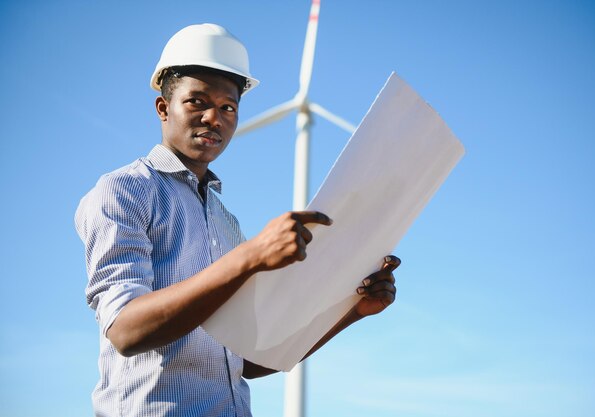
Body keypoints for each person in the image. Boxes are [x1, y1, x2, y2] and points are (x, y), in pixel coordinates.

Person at [75, 23, 400, 417]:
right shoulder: (123, 191)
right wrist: (250, 256)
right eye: (197, 102)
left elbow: (246, 360)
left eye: (228, 107)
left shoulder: (225, 221)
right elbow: (125, 330)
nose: (214, 117)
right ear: (163, 108)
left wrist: (352, 313)